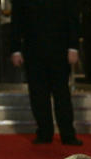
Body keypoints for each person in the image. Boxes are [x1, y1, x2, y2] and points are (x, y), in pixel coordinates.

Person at [9, 0, 82, 145]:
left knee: (62, 93)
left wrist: (73, 47)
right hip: (33, 49)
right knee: (38, 93)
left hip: (60, 49)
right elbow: (16, 19)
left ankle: (67, 134)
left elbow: (72, 16)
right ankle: (44, 132)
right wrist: (15, 49)